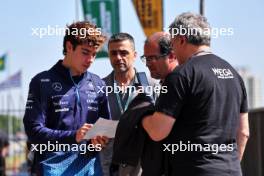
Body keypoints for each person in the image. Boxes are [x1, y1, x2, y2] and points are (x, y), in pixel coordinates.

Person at [142, 12, 249, 176]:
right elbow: (243, 132)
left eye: (173, 44)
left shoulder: (181, 75)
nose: (173, 51)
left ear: (182, 40)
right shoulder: (234, 74)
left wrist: (142, 116)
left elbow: (158, 131)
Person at [23, 21, 111, 176]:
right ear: (69, 47)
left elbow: (105, 130)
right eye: (85, 52)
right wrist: (74, 136)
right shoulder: (42, 81)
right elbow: (33, 131)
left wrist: (100, 140)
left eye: (94, 54)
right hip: (53, 167)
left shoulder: (98, 84)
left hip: (90, 167)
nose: (90, 59)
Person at [101, 33, 156, 176]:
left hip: (141, 168)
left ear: (135, 55)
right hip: (108, 167)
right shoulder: (98, 87)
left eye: (124, 53)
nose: (118, 57)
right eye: (114, 53)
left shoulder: (151, 86)